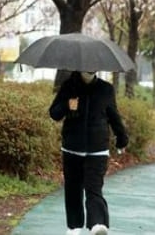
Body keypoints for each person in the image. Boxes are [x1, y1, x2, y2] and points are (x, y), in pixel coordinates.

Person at [49, 71, 129, 235]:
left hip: (97, 149)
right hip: (72, 148)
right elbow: (54, 113)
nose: (90, 69)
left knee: (94, 188)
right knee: (73, 189)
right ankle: (74, 226)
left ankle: (97, 224)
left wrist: (121, 138)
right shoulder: (69, 86)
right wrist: (67, 105)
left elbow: (114, 115)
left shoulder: (105, 89)